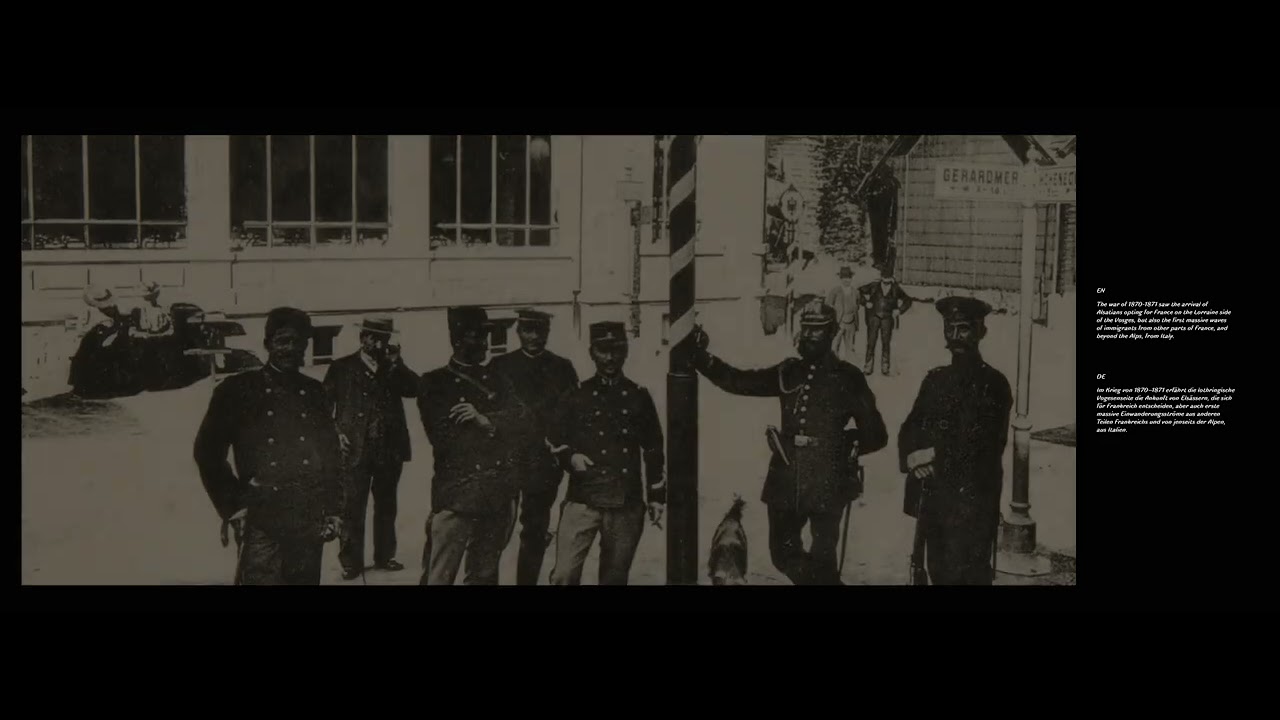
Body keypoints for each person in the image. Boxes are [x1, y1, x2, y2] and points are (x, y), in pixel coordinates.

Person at [691, 300, 887, 585]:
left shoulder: (848, 377)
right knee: (782, 554)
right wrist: (702, 359)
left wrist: (842, 445)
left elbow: (877, 434)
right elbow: (739, 381)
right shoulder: (789, 371)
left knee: (823, 557)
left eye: (816, 330)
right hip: (786, 474)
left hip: (828, 480)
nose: (807, 335)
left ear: (832, 332)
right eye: (805, 328)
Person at [192, 307, 346, 585]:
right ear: (267, 344)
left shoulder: (315, 392)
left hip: (308, 516)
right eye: (283, 341)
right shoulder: (236, 390)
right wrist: (233, 507)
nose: (291, 348)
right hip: (261, 515)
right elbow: (207, 453)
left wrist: (334, 510)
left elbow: (331, 455)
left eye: (298, 342)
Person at [898, 296, 1013, 586]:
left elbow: (986, 444)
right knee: (938, 572)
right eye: (950, 329)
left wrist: (932, 455)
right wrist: (912, 457)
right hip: (935, 500)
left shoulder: (994, 384)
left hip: (973, 502)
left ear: (980, 332)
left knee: (969, 575)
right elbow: (911, 426)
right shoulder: (935, 380)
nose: (955, 337)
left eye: (964, 329)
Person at [417, 306, 531, 585]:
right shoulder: (433, 383)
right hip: (456, 495)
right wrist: (498, 432)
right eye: (476, 337)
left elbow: (524, 420)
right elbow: (443, 438)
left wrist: (484, 420)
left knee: (484, 575)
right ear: (456, 340)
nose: (484, 343)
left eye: (486, 336)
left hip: (496, 496)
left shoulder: (498, 378)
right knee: (438, 576)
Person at [546, 321, 665, 586]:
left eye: (617, 349)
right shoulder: (576, 394)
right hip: (583, 499)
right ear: (592, 352)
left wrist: (656, 497)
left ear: (626, 352)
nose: (610, 357)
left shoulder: (639, 396)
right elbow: (553, 439)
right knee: (563, 575)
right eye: (603, 350)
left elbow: (654, 447)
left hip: (625, 503)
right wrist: (570, 458)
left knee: (614, 579)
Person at [323, 316, 420, 581]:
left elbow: (415, 389)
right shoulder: (341, 368)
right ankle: (351, 562)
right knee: (352, 507)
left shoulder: (393, 368)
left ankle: (385, 555)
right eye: (372, 337)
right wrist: (336, 433)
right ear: (361, 337)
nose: (377, 343)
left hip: (389, 450)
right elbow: (321, 409)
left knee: (387, 505)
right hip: (355, 449)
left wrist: (397, 363)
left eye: (383, 338)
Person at [488, 308, 580, 585]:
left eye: (541, 331)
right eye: (528, 331)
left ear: (548, 334)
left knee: (535, 529)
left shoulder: (562, 367)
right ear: (518, 333)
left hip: (543, 462)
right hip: (506, 459)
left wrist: (561, 447)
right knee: (494, 529)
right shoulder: (499, 365)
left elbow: (572, 414)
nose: (535, 337)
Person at [858, 265, 913, 376]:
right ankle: (868, 366)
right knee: (871, 342)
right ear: (881, 278)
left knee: (886, 342)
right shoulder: (873, 286)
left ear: (891, 279)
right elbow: (858, 292)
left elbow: (908, 300)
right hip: (874, 317)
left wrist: (899, 310)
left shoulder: (896, 289)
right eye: (884, 281)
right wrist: (865, 302)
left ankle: (885, 367)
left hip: (887, 319)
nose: (886, 284)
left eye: (888, 282)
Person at [864, 165, 900, 269]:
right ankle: (880, 259)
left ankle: (882, 259)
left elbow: (893, 204)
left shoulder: (890, 184)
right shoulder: (876, 184)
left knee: (883, 237)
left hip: (883, 217)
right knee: (881, 237)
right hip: (879, 218)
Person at [826, 266, 860, 362]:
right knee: (835, 345)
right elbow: (828, 305)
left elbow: (858, 305)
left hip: (851, 322)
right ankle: (834, 365)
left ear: (851, 278)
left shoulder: (855, 292)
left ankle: (849, 367)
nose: (846, 280)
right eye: (844, 278)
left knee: (850, 347)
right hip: (838, 322)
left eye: (848, 278)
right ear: (840, 279)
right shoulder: (835, 291)